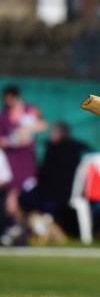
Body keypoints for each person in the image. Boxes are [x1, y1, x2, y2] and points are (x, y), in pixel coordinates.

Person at [0, 85, 47, 224]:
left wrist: (28, 129)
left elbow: (42, 124)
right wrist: (13, 140)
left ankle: (23, 227)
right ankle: (17, 227)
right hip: (11, 160)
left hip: (27, 160)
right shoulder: (3, 116)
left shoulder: (30, 110)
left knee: (25, 194)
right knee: (12, 196)